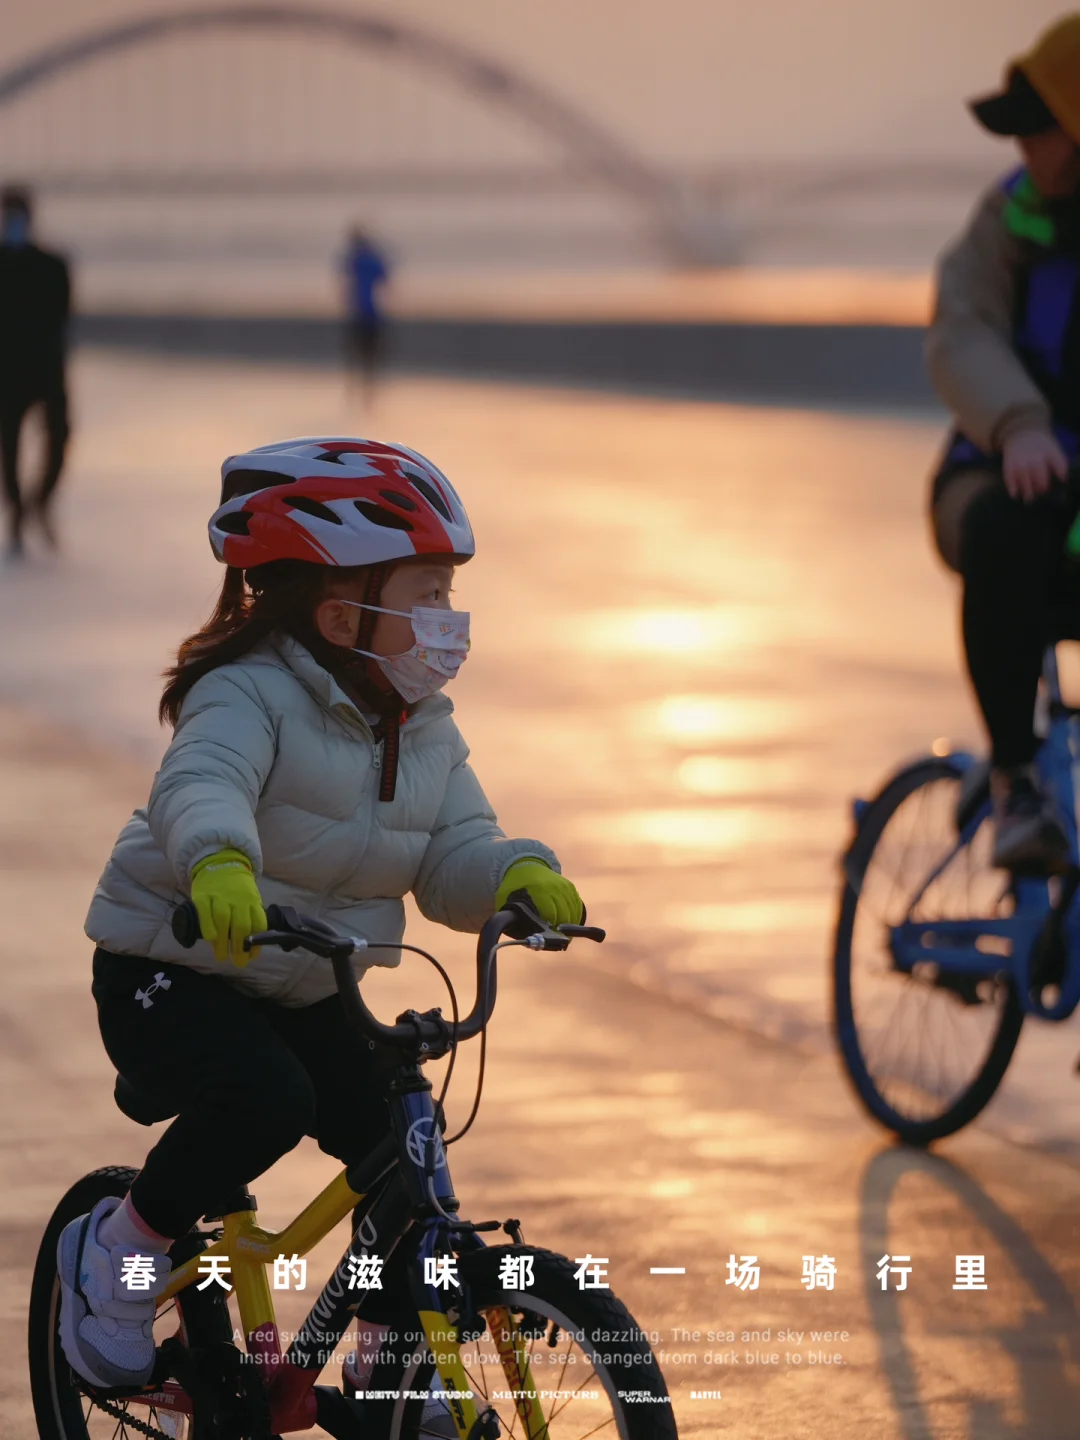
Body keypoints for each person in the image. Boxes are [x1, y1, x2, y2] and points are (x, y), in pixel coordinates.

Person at [56, 438, 584, 1428]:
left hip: (300, 981)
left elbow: (455, 847)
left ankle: (391, 1360)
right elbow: (202, 781)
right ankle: (117, 1253)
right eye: (429, 593)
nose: (450, 618)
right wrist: (219, 860)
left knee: (399, 1136)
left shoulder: (420, 724)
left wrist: (513, 873)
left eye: (451, 592)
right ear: (344, 615)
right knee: (265, 1098)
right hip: (173, 966)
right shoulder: (245, 692)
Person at [927, 13, 1080, 872]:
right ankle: (1016, 783)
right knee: (1005, 529)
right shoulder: (1010, 217)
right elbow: (962, 329)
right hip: (1000, 474)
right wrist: (1020, 425)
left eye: (1038, 127)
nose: (1022, 146)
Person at [0, 185, 71, 556]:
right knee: (9, 446)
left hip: (46, 370)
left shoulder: (52, 265)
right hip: (8, 374)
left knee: (59, 438)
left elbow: (63, 316)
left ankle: (38, 502)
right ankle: (17, 510)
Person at [342, 228, 389, 396]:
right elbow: (385, 280)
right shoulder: (374, 259)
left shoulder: (354, 260)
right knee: (370, 352)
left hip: (359, 311)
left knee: (356, 350)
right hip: (372, 311)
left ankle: (356, 385)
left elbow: (346, 282)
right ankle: (368, 385)